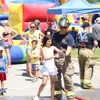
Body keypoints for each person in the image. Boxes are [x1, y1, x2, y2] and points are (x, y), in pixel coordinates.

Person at [52, 17, 75, 100]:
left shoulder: (69, 37)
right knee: (56, 79)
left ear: (67, 27)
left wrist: (62, 53)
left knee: (67, 78)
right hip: (55, 61)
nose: (62, 29)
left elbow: (68, 51)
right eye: (61, 27)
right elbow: (51, 46)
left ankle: (70, 96)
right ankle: (58, 96)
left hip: (66, 61)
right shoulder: (55, 35)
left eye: (64, 27)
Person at [34, 35, 61, 100]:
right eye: (48, 41)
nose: (50, 42)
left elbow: (59, 51)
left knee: (53, 83)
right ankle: (38, 95)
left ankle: (52, 98)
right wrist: (54, 56)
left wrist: (62, 52)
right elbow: (45, 58)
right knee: (44, 83)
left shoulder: (53, 47)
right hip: (46, 67)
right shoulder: (43, 48)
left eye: (51, 41)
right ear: (45, 41)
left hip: (52, 67)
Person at [78, 22, 98, 89]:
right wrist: (94, 47)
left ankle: (82, 82)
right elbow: (96, 43)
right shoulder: (91, 34)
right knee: (88, 67)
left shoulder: (79, 34)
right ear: (88, 27)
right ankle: (86, 84)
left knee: (82, 67)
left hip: (80, 51)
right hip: (88, 51)